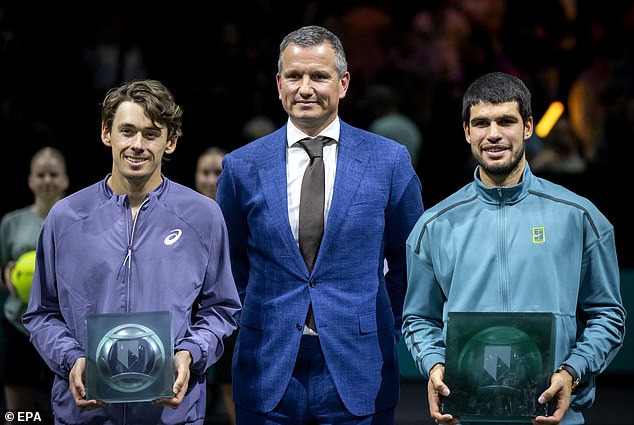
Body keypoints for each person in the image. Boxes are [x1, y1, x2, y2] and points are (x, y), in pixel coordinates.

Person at [216, 25, 424, 424]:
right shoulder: (240, 167)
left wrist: (383, 325)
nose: (305, 88)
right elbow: (230, 265)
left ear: (343, 83)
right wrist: (253, 323)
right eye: (294, 76)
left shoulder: (389, 161)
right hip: (267, 364)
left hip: (359, 364)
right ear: (279, 85)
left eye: (319, 76)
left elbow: (409, 264)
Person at [402, 72, 626, 425]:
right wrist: (434, 364)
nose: (493, 134)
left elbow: (608, 316)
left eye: (506, 121)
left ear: (528, 127)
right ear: (466, 131)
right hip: (467, 416)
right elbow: (417, 318)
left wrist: (572, 371)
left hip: (554, 416)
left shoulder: (579, 216)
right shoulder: (434, 225)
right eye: (481, 123)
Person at [22, 79, 241, 425]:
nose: (137, 145)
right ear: (107, 134)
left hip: (171, 414)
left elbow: (222, 309)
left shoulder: (203, 216)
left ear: (170, 142)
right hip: (85, 414)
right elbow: (41, 314)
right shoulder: (64, 218)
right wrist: (72, 359)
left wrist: (189, 353)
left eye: (151, 134)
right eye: (127, 131)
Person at [1, 146, 68, 424]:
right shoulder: (11, 222)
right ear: (30, 180)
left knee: (64, 408)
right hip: (19, 326)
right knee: (19, 415)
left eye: (53, 174)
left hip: (64, 328)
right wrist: (6, 277)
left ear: (65, 179)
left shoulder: (77, 219)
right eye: (41, 175)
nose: (47, 181)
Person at [193, 146, 236, 425]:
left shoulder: (239, 214)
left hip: (231, 313)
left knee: (229, 378)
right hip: (192, 315)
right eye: (205, 173)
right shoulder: (183, 215)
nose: (211, 180)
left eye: (217, 173)